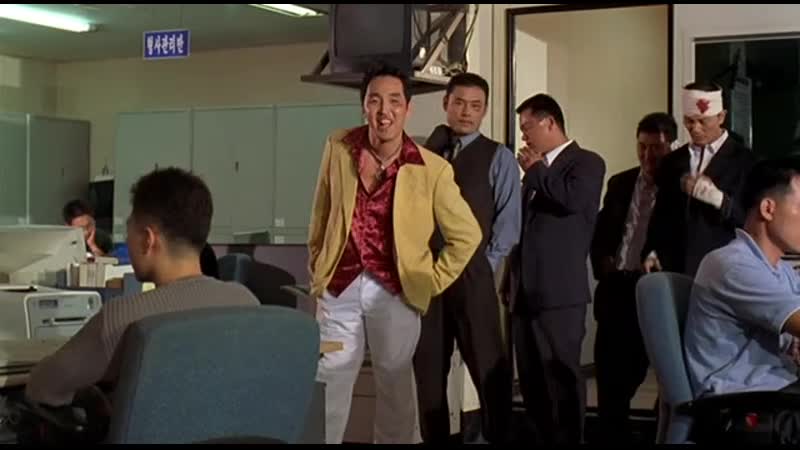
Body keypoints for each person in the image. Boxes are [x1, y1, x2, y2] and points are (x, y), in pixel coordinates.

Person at [307, 63, 481, 444]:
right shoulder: (339, 146)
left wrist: (428, 281)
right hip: (339, 285)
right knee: (328, 380)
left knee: (395, 385)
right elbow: (321, 211)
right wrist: (318, 263)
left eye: (394, 101)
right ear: (364, 107)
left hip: (396, 290)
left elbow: (467, 235)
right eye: (374, 101)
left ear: (407, 109)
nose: (384, 111)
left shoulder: (431, 168)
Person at [26, 168, 260, 407]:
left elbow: (43, 386)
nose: (127, 240)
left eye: (129, 229)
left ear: (148, 240)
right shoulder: (247, 303)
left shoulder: (122, 318)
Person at [413, 72, 518, 444]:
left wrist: (484, 266)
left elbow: (508, 224)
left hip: (473, 275)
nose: (466, 112)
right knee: (428, 373)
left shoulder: (499, 156)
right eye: (459, 103)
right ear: (446, 104)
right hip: (428, 277)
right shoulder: (426, 154)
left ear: (484, 110)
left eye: (475, 106)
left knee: (489, 372)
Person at [505, 93, 606, 445]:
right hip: (524, 292)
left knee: (561, 375)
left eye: (528, 127)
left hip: (560, 293)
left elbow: (571, 201)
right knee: (531, 380)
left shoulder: (586, 162)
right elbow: (523, 231)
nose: (524, 136)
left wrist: (536, 171)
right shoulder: (534, 174)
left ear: (550, 122)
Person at [684, 157, 800, 443]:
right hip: (742, 407)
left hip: (778, 393)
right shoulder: (733, 264)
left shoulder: (781, 270)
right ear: (768, 209)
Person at [590, 112, 677, 442]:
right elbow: (602, 231)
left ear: (671, 147)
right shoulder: (621, 183)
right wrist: (603, 263)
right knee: (611, 385)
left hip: (655, 292)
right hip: (617, 290)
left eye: (656, 148)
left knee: (663, 379)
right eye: (642, 147)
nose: (648, 155)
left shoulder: (678, 189)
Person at [642, 82, 756, 276]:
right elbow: (660, 214)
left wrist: (720, 200)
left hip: (724, 269)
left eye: (702, 121)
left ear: (721, 117)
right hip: (675, 268)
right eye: (689, 121)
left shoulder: (745, 161)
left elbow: (752, 222)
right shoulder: (672, 162)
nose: (695, 128)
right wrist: (652, 249)